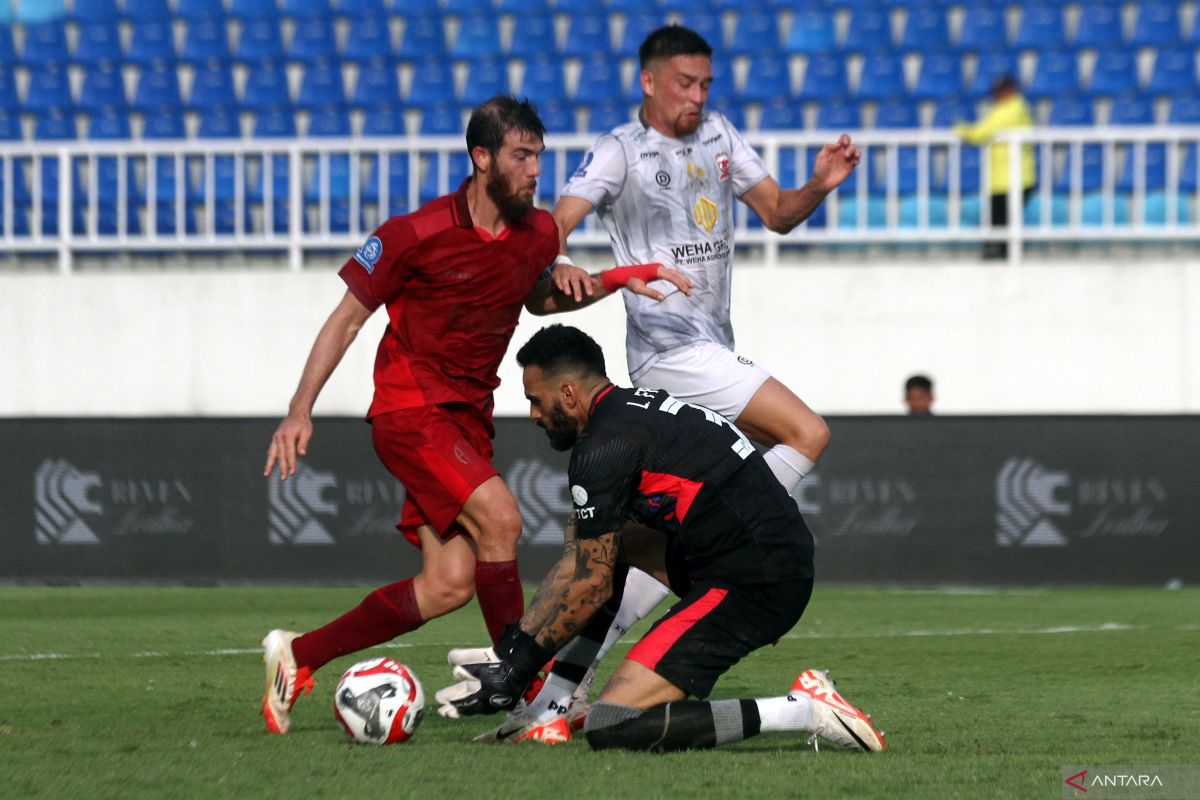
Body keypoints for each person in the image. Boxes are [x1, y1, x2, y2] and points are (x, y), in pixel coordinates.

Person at [258, 97, 690, 735]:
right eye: (522, 156)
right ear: (481, 158)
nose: (535, 170)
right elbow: (346, 320)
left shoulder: (537, 234)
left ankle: (299, 656)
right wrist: (300, 411)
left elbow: (542, 300)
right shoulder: (412, 233)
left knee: (447, 584)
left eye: (539, 156)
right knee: (502, 519)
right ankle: (530, 697)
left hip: (466, 420)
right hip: (411, 408)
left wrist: (619, 277)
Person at [496, 23, 863, 742]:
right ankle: (733, 544)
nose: (697, 96)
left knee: (638, 540)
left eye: (705, 84)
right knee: (806, 432)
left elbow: (778, 213)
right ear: (649, 82)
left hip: (712, 345)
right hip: (668, 351)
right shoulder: (619, 150)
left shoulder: (721, 135)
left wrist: (819, 185)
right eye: (684, 84)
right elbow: (556, 224)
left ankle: (564, 687)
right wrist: (556, 261)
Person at [434, 324, 887, 754]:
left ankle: (805, 709)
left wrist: (515, 669)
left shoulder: (603, 447)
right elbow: (583, 566)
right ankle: (550, 709)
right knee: (599, 546)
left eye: (536, 400)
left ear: (568, 393)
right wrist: (513, 656)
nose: (534, 414)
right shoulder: (633, 411)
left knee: (611, 723)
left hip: (754, 580)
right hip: (753, 555)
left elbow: (590, 585)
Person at [954, 75, 1036, 260]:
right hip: (1004, 178)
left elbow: (980, 133)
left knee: (1002, 221)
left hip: (1015, 177)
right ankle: (999, 255)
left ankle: (1003, 257)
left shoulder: (1014, 109)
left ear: (1010, 90)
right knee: (999, 220)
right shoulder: (1007, 108)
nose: (996, 95)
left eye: (999, 91)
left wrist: (959, 128)